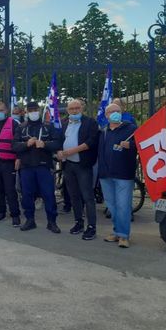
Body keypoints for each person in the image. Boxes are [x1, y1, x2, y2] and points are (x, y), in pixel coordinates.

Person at [12, 101, 63, 233]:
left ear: (39, 111)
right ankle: (30, 220)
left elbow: (58, 143)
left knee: (48, 195)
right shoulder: (21, 128)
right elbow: (15, 146)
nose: (33, 112)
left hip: (44, 167)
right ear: (26, 112)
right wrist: (26, 144)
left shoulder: (48, 127)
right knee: (27, 195)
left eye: (35, 109)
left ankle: (52, 222)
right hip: (26, 167)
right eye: (30, 110)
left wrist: (45, 144)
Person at [57, 100, 99, 240]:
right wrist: (60, 152)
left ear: (82, 108)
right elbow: (60, 141)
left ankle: (91, 227)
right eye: (71, 109)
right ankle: (78, 223)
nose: (74, 111)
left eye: (77, 108)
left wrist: (71, 151)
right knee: (74, 195)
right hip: (69, 165)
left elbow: (92, 141)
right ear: (68, 110)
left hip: (83, 165)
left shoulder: (90, 122)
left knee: (87, 197)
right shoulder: (64, 123)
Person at [98, 103, 137, 248]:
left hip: (124, 174)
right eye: (111, 112)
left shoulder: (131, 129)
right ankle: (117, 231)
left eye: (117, 111)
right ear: (106, 115)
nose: (115, 113)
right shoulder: (103, 131)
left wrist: (131, 146)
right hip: (105, 175)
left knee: (123, 206)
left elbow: (142, 145)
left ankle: (124, 236)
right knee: (112, 206)